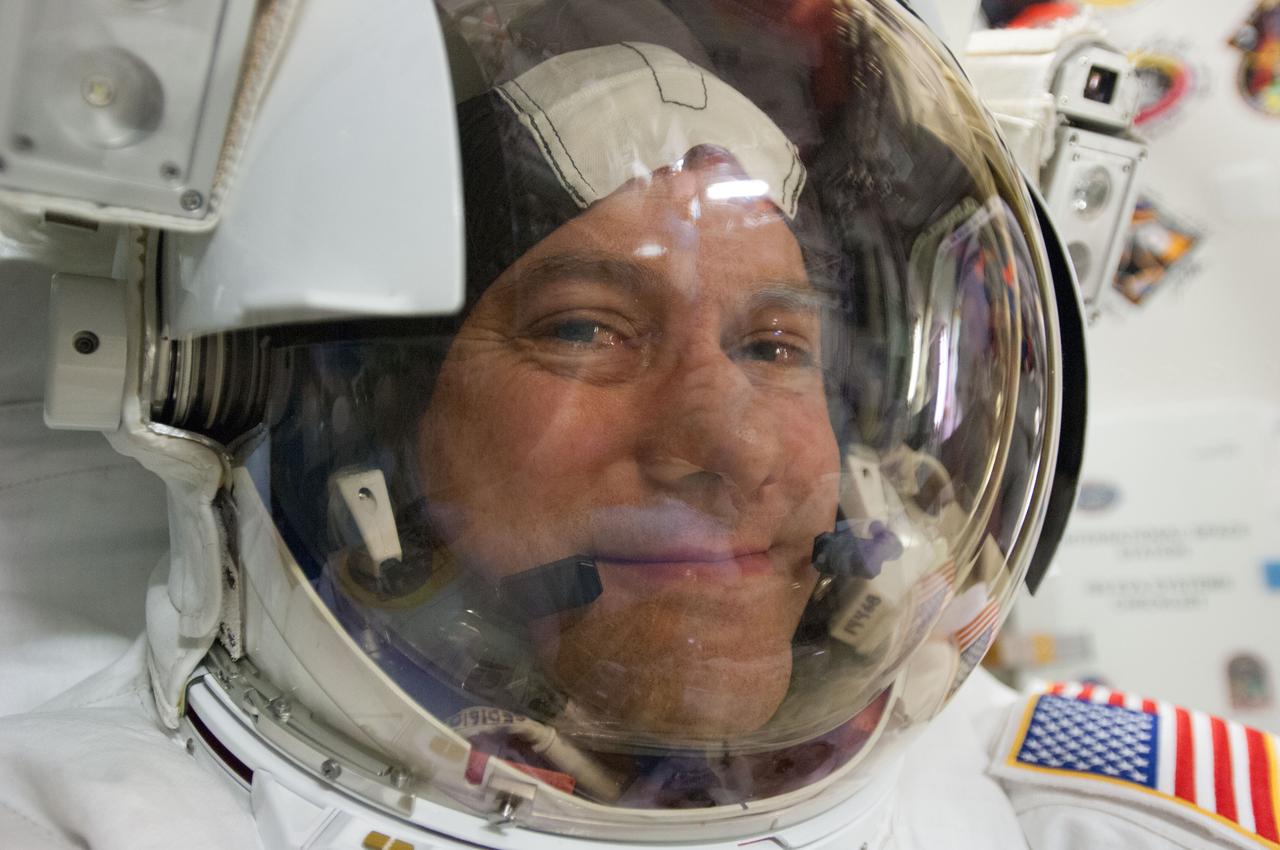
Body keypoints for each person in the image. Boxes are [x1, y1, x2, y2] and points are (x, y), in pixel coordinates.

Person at [2, 1, 1273, 848]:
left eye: (776, 346)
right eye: (583, 328)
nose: (731, 446)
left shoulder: (1095, 817)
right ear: (365, 437)